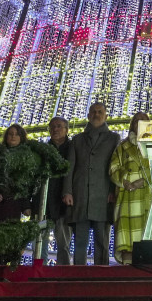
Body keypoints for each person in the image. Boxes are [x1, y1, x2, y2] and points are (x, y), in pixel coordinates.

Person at [64, 101, 120, 265]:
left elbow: (115, 167)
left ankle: (101, 274)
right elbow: (70, 167)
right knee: (80, 240)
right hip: (80, 195)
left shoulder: (114, 138)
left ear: (105, 116)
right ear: (88, 115)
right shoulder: (77, 139)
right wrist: (67, 191)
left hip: (103, 196)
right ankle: (79, 274)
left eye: (100, 112)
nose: (96, 114)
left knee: (101, 240)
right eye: (93, 112)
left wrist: (113, 191)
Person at [109, 112, 152, 263]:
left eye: (143, 120)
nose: (140, 123)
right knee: (127, 241)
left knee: (148, 238)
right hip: (127, 197)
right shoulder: (122, 146)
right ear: (132, 124)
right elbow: (113, 168)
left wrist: (144, 180)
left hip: (148, 196)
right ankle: (127, 268)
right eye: (137, 121)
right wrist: (126, 181)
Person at [0, 124, 36, 227]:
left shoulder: (26, 158)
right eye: (10, 134)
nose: (13, 137)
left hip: (12, 204)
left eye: (16, 134)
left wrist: (26, 206)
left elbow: (25, 185)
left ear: (21, 137)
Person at [43, 116, 73, 264]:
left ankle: (64, 272)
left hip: (64, 203)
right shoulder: (43, 150)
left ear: (66, 130)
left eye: (59, 126)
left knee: (63, 243)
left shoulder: (73, 148)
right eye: (52, 126)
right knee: (40, 242)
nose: (55, 129)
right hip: (44, 203)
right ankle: (38, 271)